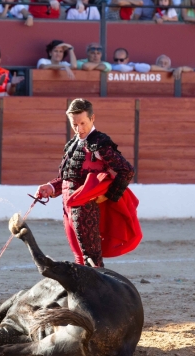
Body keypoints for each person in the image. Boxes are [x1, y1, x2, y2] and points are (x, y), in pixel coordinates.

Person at [36, 98, 135, 268]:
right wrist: (51, 187)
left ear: (92, 118)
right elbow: (69, 177)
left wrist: (108, 196)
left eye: (82, 123)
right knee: (79, 257)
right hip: (68, 205)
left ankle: (99, 294)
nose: (79, 128)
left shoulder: (100, 143)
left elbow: (127, 170)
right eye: (74, 124)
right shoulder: (73, 143)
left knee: (91, 258)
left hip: (86, 207)